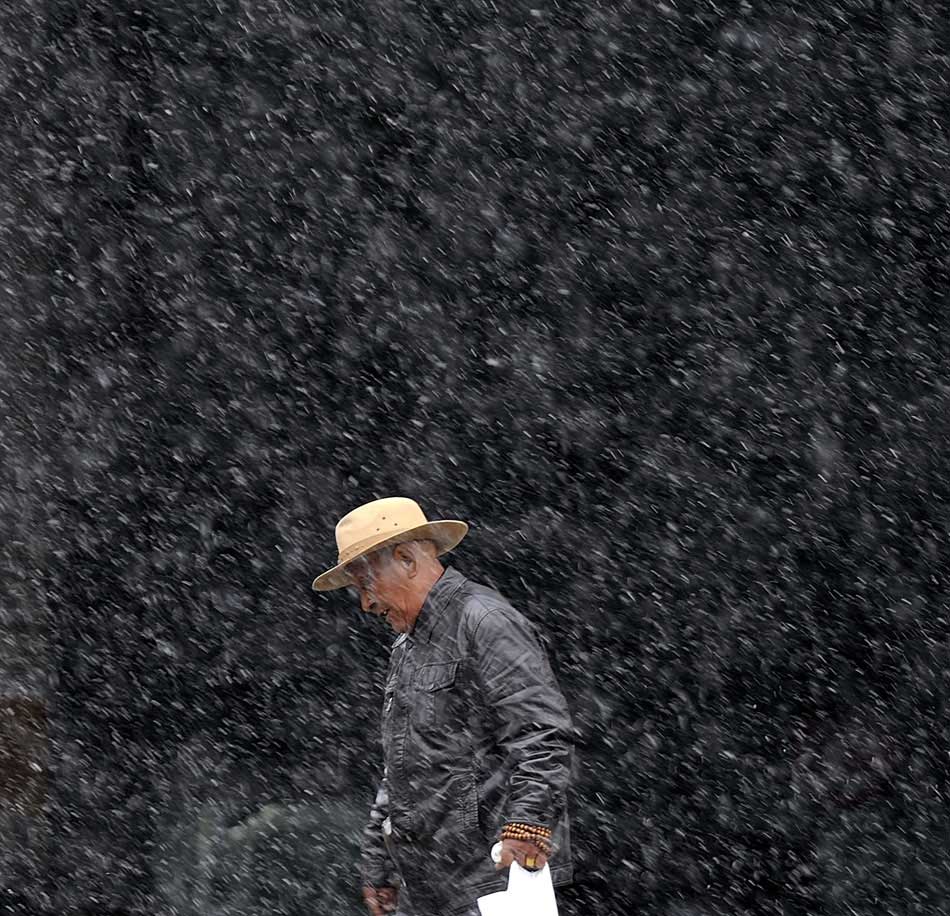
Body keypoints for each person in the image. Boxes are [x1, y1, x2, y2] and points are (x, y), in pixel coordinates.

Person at [312, 497, 574, 916]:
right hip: (434, 886)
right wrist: (379, 862)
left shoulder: (485, 620)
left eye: (366, 585)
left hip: (497, 882)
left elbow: (543, 731)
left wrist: (527, 824)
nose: (365, 603)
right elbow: (403, 765)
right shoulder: (408, 645)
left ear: (406, 559)